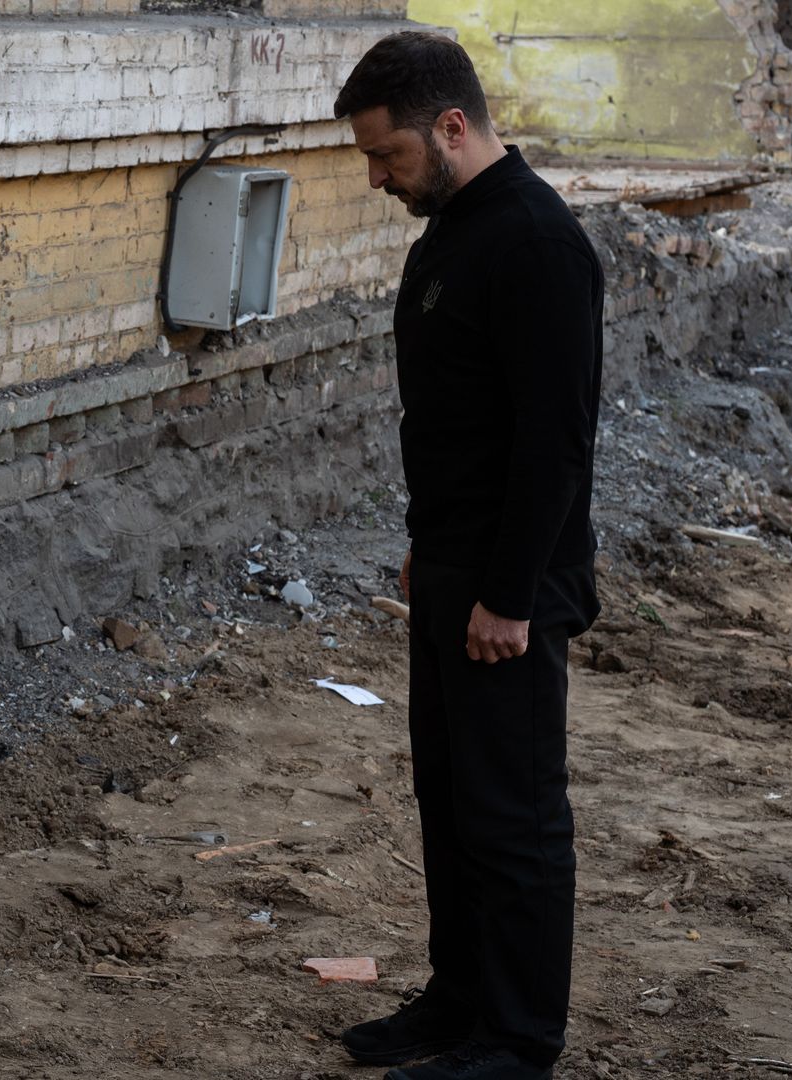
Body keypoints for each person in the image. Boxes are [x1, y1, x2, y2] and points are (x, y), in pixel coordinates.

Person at [329, 31, 604, 1080]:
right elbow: (456, 423)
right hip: (452, 569)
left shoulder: (536, 242)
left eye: (388, 156)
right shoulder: (453, 232)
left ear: (451, 127)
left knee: (513, 815)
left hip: (510, 594)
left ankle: (519, 1040)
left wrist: (506, 592)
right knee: (449, 799)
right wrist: (429, 552)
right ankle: (459, 999)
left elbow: (554, 440)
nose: (377, 177)